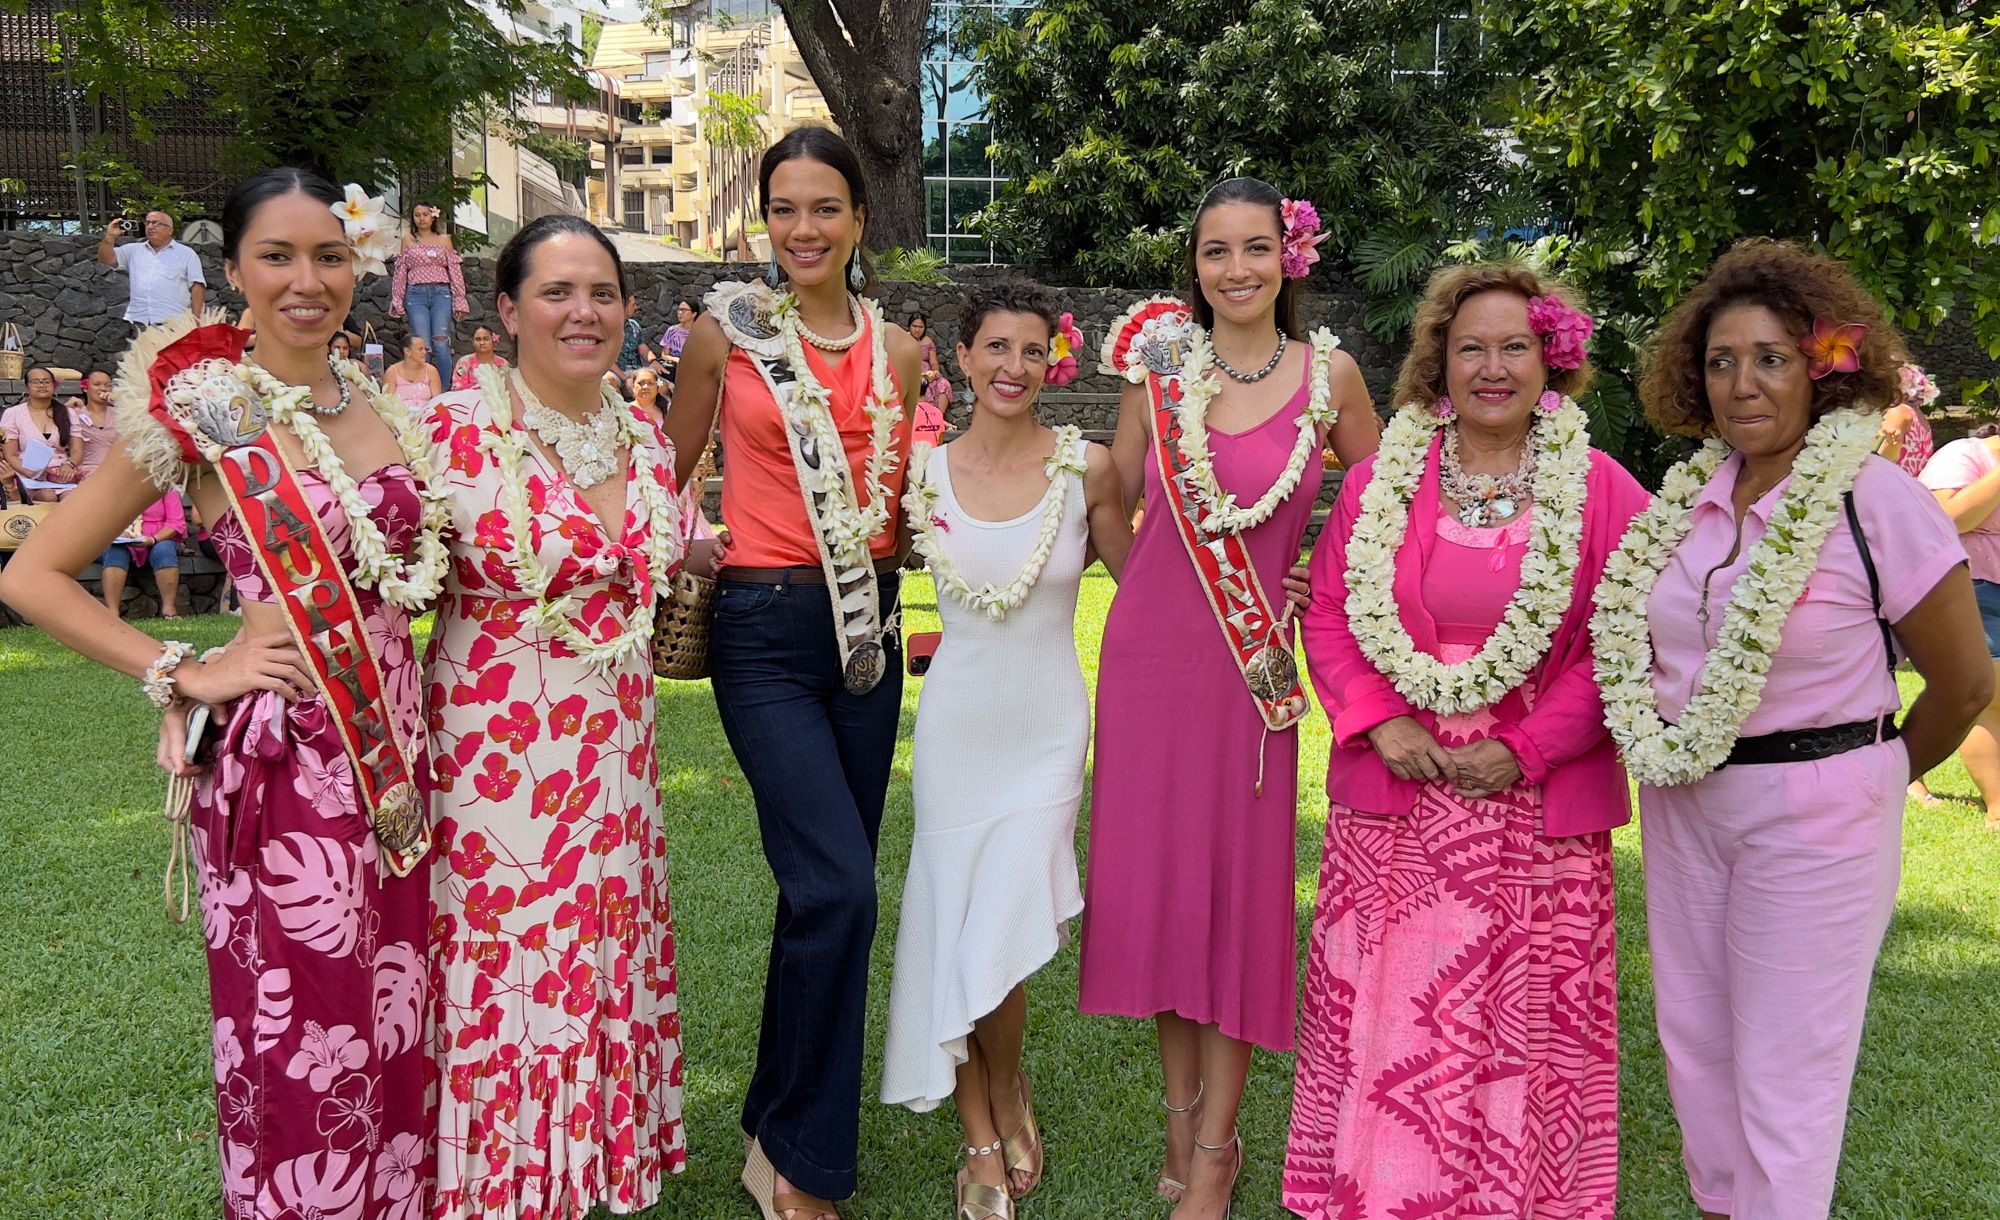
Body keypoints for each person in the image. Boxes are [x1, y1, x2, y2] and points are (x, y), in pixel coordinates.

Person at [0, 167, 445, 1220]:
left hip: (404, 759)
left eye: (329, 255)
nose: (306, 280)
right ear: (234, 269)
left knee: (403, 1022)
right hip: (288, 770)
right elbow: (29, 574)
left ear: (359, 265)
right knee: (304, 1039)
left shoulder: (382, 401)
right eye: (277, 256)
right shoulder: (200, 412)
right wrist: (187, 670)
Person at [1598, 240, 1988, 1220]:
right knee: (1697, 1051)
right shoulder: (1683, 503)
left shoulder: (1875, 500)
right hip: (1685, 806)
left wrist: (1883, 765)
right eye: (1720, 360)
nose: (1741, 382)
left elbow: (1962, 677)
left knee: (1783, 1079)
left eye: (1769, 357)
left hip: (1816, 818)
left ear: (1820, 369)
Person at [1283, 264, 1648, 1219]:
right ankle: (1374, 1191)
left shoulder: (1604, 490)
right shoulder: (1379, 482)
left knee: (1514, 1022)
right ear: (1438, 361)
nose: (1493, 368)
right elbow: (1328, 612)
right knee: (1396, 1015)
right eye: (1471, 347)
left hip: (1532, 810)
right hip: (1399, 802)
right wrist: (1378, 719)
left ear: (1551, 359)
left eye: (1515, 347)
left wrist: (1527, 747)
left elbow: (1630, 638)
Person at [1080, 177, 1378, 1220]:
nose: (1236, 269)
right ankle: (1176, 1114)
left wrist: (1315, 573)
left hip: (1250, 677)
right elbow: (1108, 498)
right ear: (1193, 266)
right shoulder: (1156, 372)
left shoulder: (1326, 373)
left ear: (1287, 256)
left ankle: (1216, 1145)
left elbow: (1383, 514)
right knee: (1163, 897)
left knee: (1235, 897)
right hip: (1151, 665)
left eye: (1256, 247)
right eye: (1215, 251)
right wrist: (1147, 588)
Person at [663, 125, 923, 1220]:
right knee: (839, 888)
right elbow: (659, 476)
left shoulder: (900, 352)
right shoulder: (727, 335)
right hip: (762, 630)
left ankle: (772, 1122)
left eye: (825, 207)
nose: (803, 228)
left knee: (821, 895)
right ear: (762, 219)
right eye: (784, 207)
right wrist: (677, 541)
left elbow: (902, 509)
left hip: (867, 630)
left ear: (859, 219)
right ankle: (805, 1165)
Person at [424, 214, 690, 1218]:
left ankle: (584, 1175)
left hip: (614, 768)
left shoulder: (644, 437)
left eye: (603, 293)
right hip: (494, 769)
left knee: (597, 965)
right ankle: (497, 1186)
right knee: (513, 983)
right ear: (506, 309)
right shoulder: (450, 431)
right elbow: (363, 567)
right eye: (556, 290)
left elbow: (655, 570)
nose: (584, 311)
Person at [879, 284, 1133, 1220]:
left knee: (1002, 939)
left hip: (1049, 732)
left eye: (1032, 351)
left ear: (1054, 362)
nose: (1014, 368)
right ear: (961, 357)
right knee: (958, 921)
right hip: (955, 731)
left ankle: (1005, 1086)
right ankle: (980, 1128)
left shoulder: (1089, 470)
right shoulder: (921, 476)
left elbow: (1142, 588)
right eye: (996, 348)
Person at [1916, 423, 2000, 826]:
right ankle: (1998, 810)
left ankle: (1906, 772)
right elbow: (1952, 518)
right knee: (1989, 702)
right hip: (1976, 588)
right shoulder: (1966, 456)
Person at [388, 201, 468, 387]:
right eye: (417, 215)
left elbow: (455, 271)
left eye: (425, 214)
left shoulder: (444, 239)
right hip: (416, 295)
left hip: (442, 293)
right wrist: (397, 299)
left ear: (433, 216)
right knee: (423, 346)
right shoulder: (408, 240)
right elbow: (401, 272)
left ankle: (446, 389)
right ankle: (424, 388)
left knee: (441, 343)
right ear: (413, 218)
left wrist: (460, 300)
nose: (421, 218)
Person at [96, 210, 207, 329]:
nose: (150, 226)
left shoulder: (186, 254)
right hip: (137, 321)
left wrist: (196, 321)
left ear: (170, 230)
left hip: (173, 324)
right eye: (147, 223)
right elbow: (106, 259)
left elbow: (197, 287)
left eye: (155, 223)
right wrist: (110, 237)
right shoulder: (133, 250)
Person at [100, 489, 187, 618]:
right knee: (116, 552)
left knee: (164, 550)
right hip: (121, 537)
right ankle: (112, 612)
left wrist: (153, 539)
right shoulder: (115, 485)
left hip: (159, 536)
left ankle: (169, 610)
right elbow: (102, 519)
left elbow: (175, 523)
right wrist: (117, 532)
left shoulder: (167, 487)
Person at [3, 367, 82, 501]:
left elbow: (77, 450)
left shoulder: (68, 413)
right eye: (35, 382)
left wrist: (69, 465)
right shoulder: (13, 414)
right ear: (27, 387)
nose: (41, 385)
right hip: (27, 474)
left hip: (60, 475)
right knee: (47, 496)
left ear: (54, 386)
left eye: (46, 381)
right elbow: (10, 454)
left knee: (71, 499)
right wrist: (30, 472)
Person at [1878, 361, 1940, 477]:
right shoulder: (1918, 415)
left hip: (1890, 485)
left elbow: (1881, 458)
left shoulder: (1897, 412)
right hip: (1910, 487)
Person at [68, 369, 121, 480]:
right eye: (97, 384)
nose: (103, 388)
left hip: (118, 469)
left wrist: (120, 403)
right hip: (88, 470)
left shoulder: (119, 413)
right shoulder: (75, 413)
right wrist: (66, 407)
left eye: (107, 385)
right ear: (85, 387)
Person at [911, 311, 953, 416]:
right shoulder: (904, 339)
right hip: (912, 374)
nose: (917, 330)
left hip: (928, 374)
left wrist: (935, 372)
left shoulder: (927, 341)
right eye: (914, 326)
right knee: (922, 386)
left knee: (944, 384)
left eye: (920, 327)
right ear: (909, 326)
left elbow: (933, 362)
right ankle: (921, 417)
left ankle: (938, 416)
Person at [384, 332, 441, 410]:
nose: (425, 352)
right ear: (407, 351)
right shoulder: (392, 372)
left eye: (425, 349)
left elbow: (437, 401)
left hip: (426, 415)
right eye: (420, 349)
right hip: (399, 416)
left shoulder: (431, 371)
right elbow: (387, 403)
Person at [449, 323, 511, 390]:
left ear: (493, 340)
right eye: (478, 339)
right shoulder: (464, 362)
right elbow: (457, 387)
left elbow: (508, 388)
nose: (482, 342)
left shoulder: (502, 364)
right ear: (473, 342)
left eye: (486, 339)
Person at [657, 297, 697, 382]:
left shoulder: (699, 332)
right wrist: (677, 360)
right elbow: (664, 355)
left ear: (694, 314)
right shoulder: (672, 330)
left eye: (684, 310)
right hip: (674, 370)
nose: (680, 313)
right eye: (679, 309)